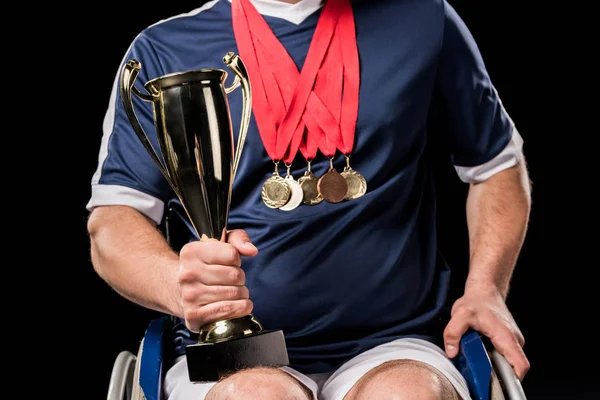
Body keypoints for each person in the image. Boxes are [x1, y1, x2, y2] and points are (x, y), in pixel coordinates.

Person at [86, 0, 532, 399]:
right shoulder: (164, 48)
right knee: (255, 396)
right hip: (231, 354)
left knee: (406, 394)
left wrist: (487, 289)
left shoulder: (422, 16)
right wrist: (180, 285)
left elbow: (496, 167)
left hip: (398, 341)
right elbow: (113, 221)